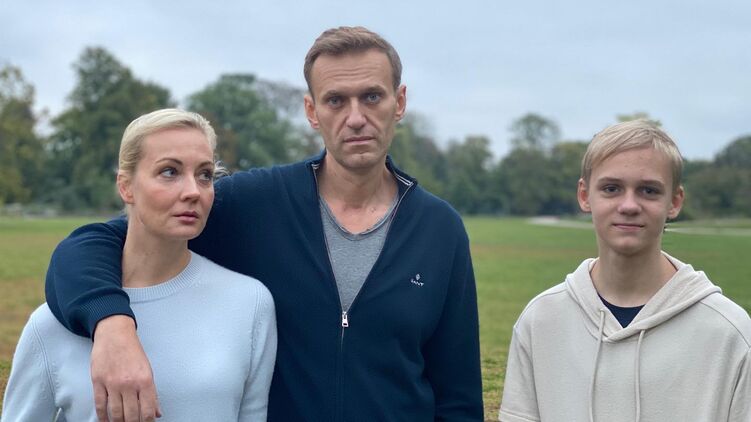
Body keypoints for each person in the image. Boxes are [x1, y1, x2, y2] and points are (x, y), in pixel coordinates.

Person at [43, 27, 483, 421]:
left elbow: (458, 395)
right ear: (312, 111)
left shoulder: (439, 229)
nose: (355, 117)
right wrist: (112, 325)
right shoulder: (254, 204)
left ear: (399, 102)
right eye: (335, 100)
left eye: (372, 97)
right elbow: (91, 245)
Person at [3, 109, 277, 421]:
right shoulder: (52, 324)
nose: (193, 191)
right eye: (169, 172)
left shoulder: (250, 303)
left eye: (204, 175)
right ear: (126, 186)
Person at [499, 120, 751, 422]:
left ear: (674, 202)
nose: (629, 205)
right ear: (584, 195)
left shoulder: (729, 331)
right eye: (611, 188)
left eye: (648, 190)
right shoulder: (540, 320)